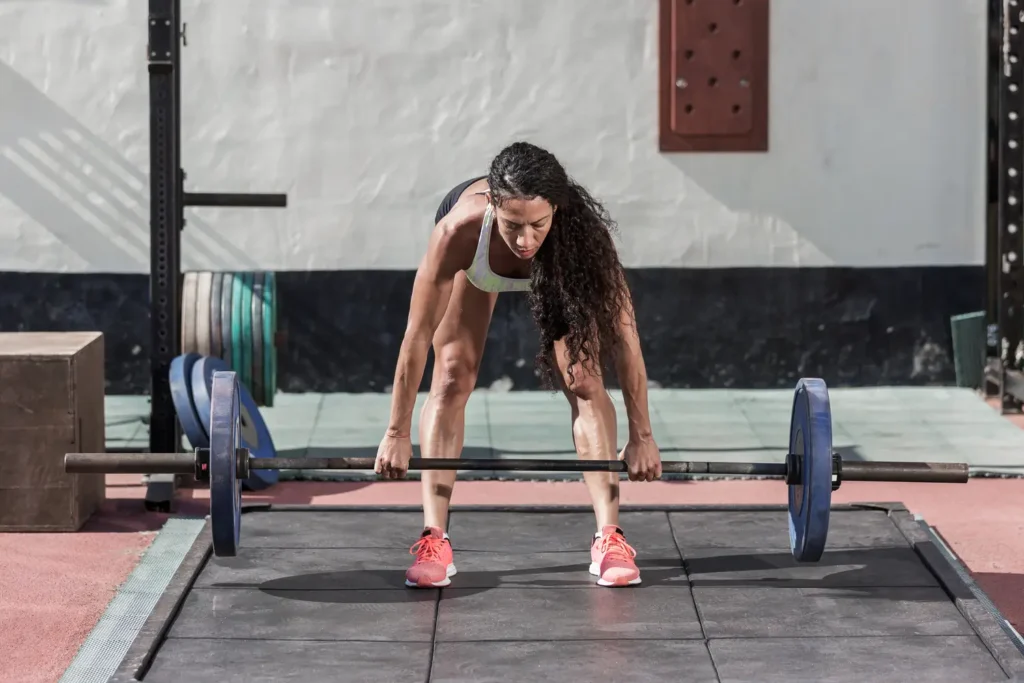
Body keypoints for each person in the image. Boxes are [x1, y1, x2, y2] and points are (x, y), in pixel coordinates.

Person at [374, 141, 662, 588]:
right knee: (452, 376)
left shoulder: (582, 239)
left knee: (583, 379)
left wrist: (642, 437)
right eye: (512, 225)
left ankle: (609, 538)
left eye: (537, 225)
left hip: (561, 263)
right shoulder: (459, 231)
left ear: (556, 210)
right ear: (491, 204)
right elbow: (416, 336)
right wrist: (396, 433)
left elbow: (626, 340)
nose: (525, 240)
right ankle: (435, 538)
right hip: (476, 262)